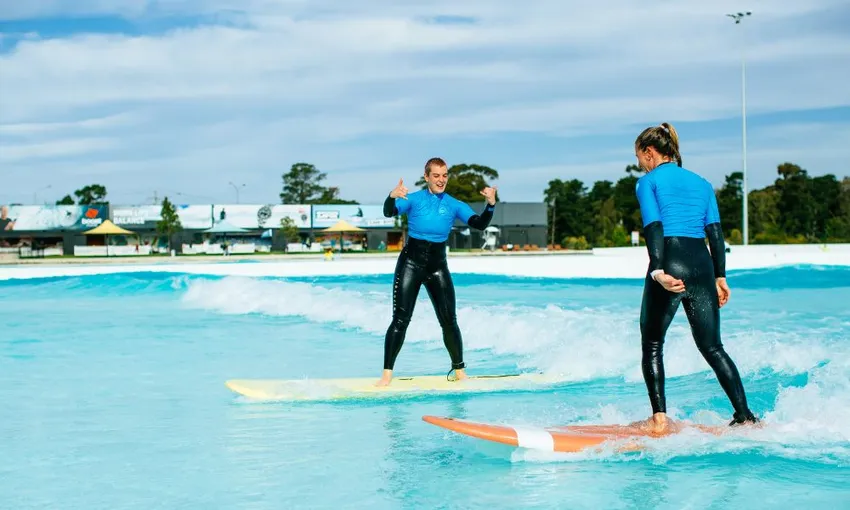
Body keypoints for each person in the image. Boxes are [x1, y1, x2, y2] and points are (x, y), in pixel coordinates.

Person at [632, 122, 759, 433]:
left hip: (670, 258)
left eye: (638, 156)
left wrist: (658, 269)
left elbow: (654, 227)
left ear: (650, 153)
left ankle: (660, 418)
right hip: (702, 264)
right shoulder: (702, 183)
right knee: (712, 346)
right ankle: (745, 416)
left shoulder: (648, 183)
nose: (639, 163)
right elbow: (715, 234)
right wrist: (720, 277)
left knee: (651, 344)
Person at [376, 157, 498, 386]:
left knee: (449, 320)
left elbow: (480, 224)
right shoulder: (413, 199)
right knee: (401, 320)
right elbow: (389, 212)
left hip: (437, 266)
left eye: (444, 175)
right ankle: (386, 375)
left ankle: (459, 371)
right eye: (436, 176)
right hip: (411, 263)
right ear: (426, 177)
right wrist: (391, 197)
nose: (441, 180)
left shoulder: (454, 204)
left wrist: (490, 204)